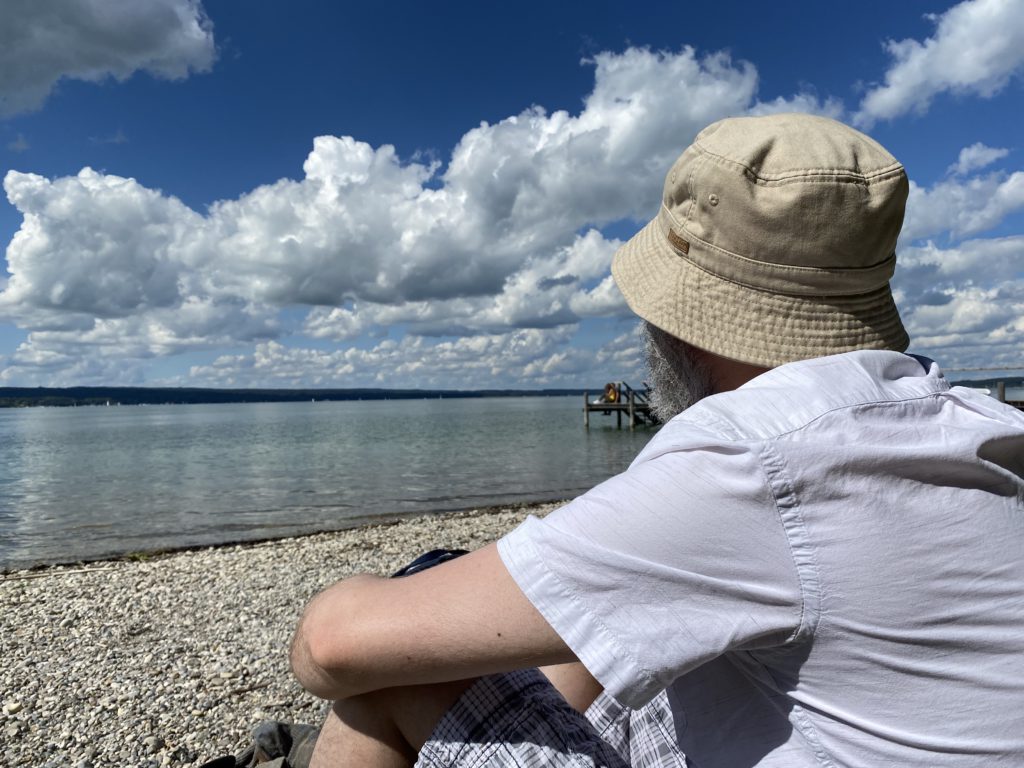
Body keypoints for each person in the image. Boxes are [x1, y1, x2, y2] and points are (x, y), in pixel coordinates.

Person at [284, 114, 1024, 767]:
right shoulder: (975, 424)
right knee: (616, 644)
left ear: (687, 324)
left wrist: (395, 589)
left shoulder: (753, 460)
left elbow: (330, 646)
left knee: (394, 676)